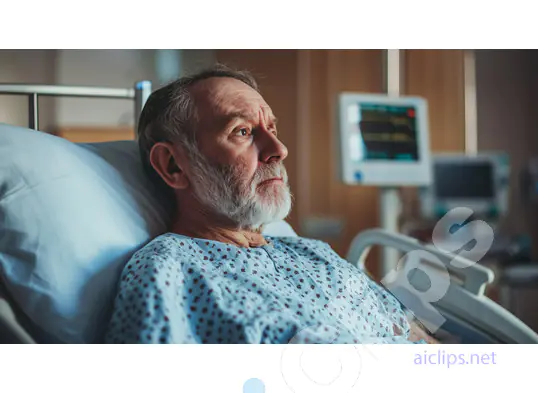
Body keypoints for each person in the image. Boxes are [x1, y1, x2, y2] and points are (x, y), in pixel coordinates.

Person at [104, 64, 435, 344]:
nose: (278, 148)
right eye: (243, 131)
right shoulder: (170, 272)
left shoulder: (313, 252)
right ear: (174, 165)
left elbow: (415, 338)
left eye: (272, 128)